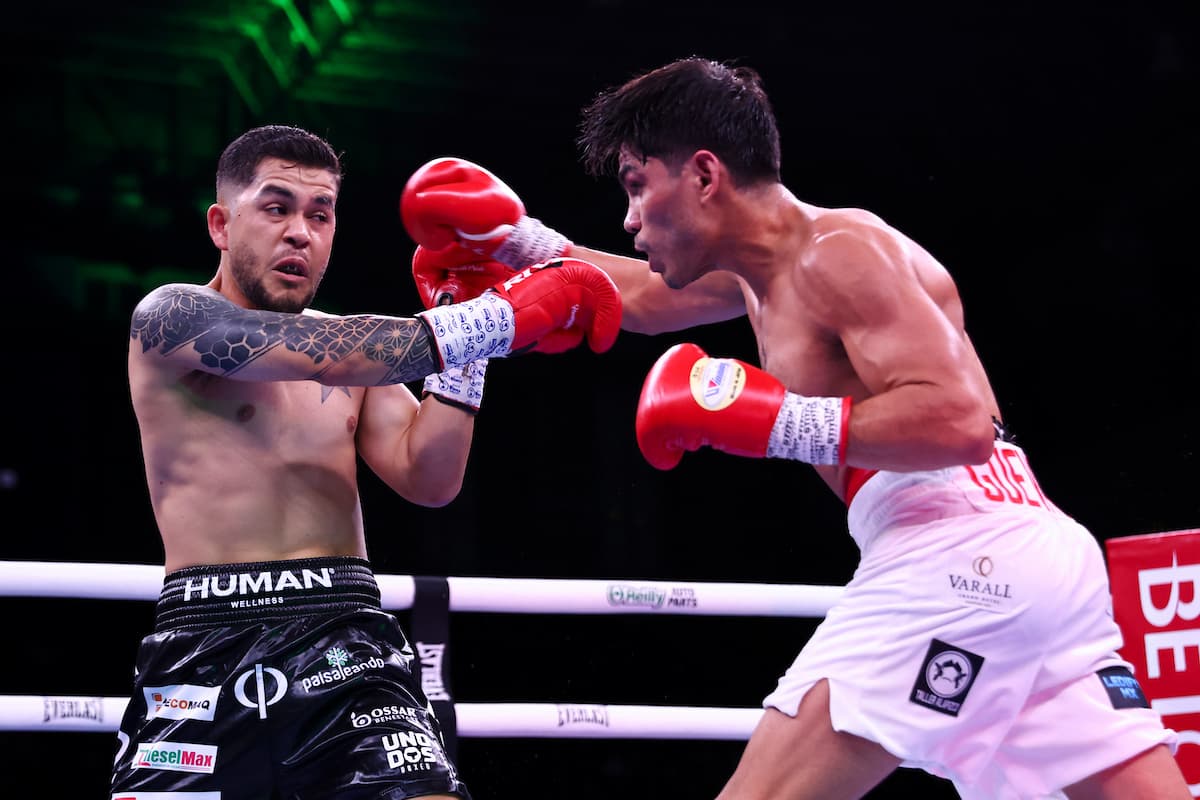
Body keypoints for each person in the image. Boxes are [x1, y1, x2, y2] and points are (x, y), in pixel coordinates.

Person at [397, 58, 1190, 799]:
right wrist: (515, 240)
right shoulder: (763, 275)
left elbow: (960, 422)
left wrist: (772, 423)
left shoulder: (839, 251)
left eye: (638, 186)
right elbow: (637, 295)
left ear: (705, 174)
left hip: (957, 556)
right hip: (1024, 558)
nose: (631, 219)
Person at [113, 123, 621, 799]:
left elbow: (430, 477)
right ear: (221, 224)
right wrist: (501, 317)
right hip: (205, 643)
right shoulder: (172, 318)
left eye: (320, 215)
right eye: (276, 207)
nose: (301, 232)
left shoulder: (347, 344)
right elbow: (358, 353)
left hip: (347, 645)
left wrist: (468, 332)